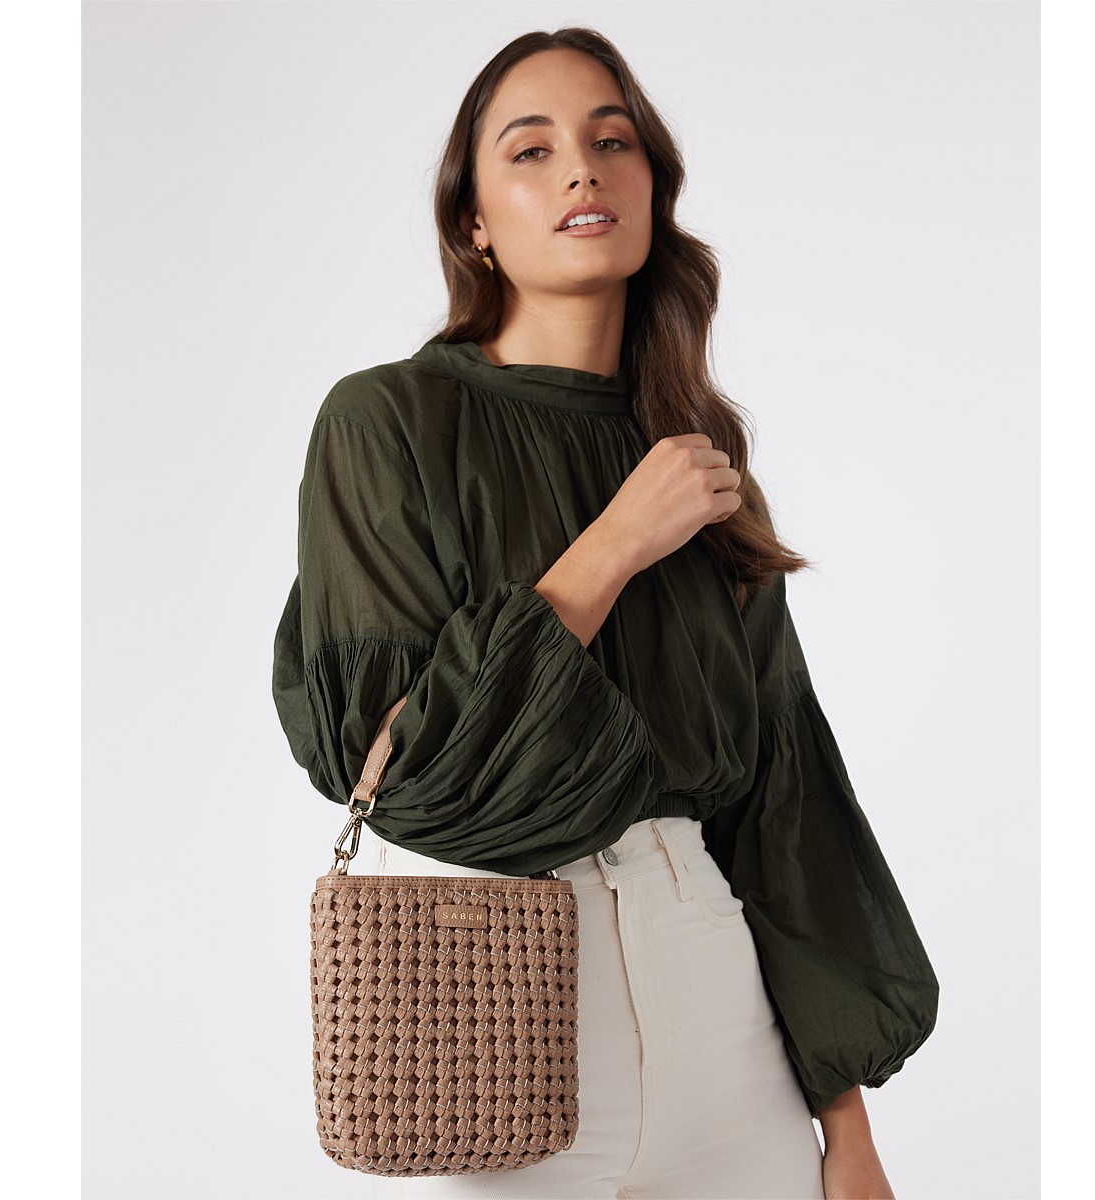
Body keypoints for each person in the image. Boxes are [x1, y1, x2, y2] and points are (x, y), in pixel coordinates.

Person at [272, 26, 939, 1200]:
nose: (581, 168)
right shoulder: (389, 423)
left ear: (652, 189)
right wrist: (619, 542)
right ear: (474, 222)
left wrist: (849, 1130)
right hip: (489, 1003)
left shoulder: (702, 468)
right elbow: (403, 769)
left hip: (722, 1017)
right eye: (530, 150)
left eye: (612, 140)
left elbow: (783, 798)